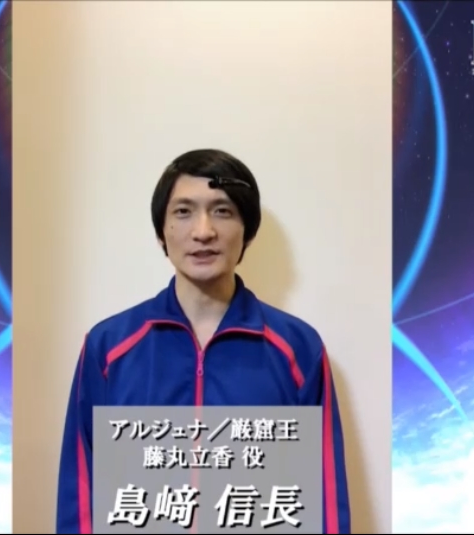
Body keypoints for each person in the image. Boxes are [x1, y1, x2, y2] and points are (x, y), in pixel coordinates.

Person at [55, 149, 351, 533]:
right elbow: (80, 486)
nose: (203, 231)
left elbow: (325, 495)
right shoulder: (110, 347)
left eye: (222, 211)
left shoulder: (297, 349)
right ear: (161, 231)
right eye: (183, 211)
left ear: (248, 230)